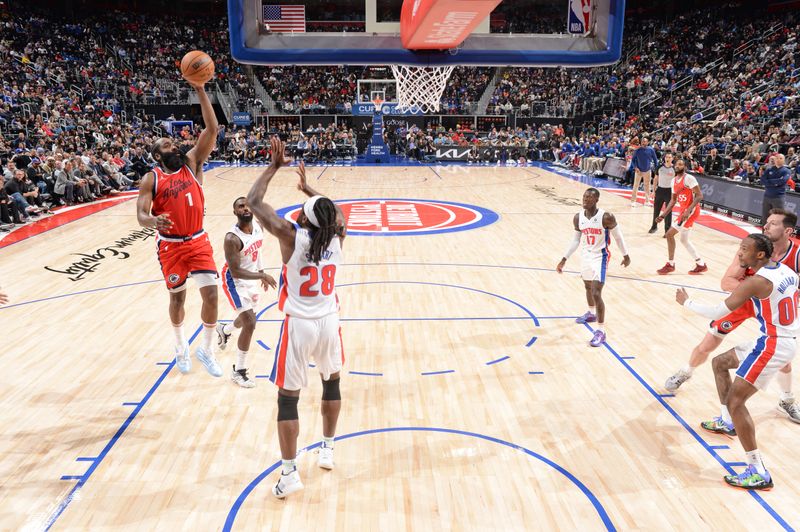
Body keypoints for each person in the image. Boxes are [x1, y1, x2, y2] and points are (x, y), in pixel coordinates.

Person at [246, 138, 346, 499]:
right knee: (331, 383)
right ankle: (328, 449)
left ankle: (289, 474)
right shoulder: (337, 234)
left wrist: (273, 167)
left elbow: (254, 202)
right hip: (330, 322)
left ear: (304, 217)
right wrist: (309, 190)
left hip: (300, 324)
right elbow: (333, 213)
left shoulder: (291, 236)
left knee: (288, 400)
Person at [676, 234, 798, 490]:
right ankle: (726, 422)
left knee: (736, 401)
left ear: (760, 255)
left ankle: (757, 470)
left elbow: (719, 311)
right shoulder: (786, 271)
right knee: (720, 362)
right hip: (781, 338)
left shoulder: (756, 281)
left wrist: (686, 302)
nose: (740, 253)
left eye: (744, 249)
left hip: (772, 344)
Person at [665, 209, 800, 422]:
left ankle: (787, 399)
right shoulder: (752, 246)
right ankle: (686, 371)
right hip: (746, 301)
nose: (766, 226)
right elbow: (727, 282)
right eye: (766, 222)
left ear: (788, 231)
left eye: (772, 224)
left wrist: (771, 294)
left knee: (781, 354)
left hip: (772, 306)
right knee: (709, 343)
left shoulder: (798, 253)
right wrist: (754, 292)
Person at [135, 77, 223, 377]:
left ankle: (207, 349)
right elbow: (141, 215)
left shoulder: (192, 162)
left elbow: (211, 130)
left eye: (173, 142)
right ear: (158, 155)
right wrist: (153, 221)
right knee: (177, 298)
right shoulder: (152, 179)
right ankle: (180, 345)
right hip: (170, 245)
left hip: (198, 240)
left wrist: (200, 89)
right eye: (168, 145)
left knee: (212, 295)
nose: (175, 146)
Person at [556, 188, 631, 347]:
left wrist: (626, 255)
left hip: (600, 257)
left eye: (589, 197)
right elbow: (576, 240)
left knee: (596, 292)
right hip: (586, 255)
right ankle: (591, 313)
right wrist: (564, 258)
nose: (585, 199)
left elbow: (618, 237)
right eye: (584, 196)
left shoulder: (606, 217)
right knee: (587, 286)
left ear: (596, 200)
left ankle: (601, 331)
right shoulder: (578, 217)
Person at [217, 197, 277, 388]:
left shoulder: (258, 227)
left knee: (246, 318)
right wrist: (262, 276)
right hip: (234, 280)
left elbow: (257, 250)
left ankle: (225, 330)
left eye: (247, 205)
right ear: (235, 212)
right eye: (240, 206)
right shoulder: (232, 238)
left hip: (250, 276)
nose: (245, 208)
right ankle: (239, 371)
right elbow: (235, 271)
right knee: (250, 322)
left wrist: (260, 273)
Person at [656, 158, 707, 275]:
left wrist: (688, 211)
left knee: (669, 234)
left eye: (680, 164)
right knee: (684, 240)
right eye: (677, 164)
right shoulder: (673, 181)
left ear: (685, 166)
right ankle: (701, 264)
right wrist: (663, 215)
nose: (677, 166)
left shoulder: (689, 178)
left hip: (691, 211)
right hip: (683, 211)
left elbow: (699, 196)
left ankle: (670, 264)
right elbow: (673, 200)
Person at [759, 153, 790, 226]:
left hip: (778, 198)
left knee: (778, 218)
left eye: (780, 158)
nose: (778, 159)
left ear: (784, 160)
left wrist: (769, 182)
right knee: (765, 217)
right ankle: (765, 235)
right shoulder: (769, 169)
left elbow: (782, 181)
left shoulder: (786, 171)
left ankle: (776, 236)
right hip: (767, 196)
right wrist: (775, 183)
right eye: (777, 158)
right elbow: (762, 181)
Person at [649, 152, 675, 234]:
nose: (668, 158)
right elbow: (655, 179)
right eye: (666, 157)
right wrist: (653, 191)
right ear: (664, 158)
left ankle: (667, 230)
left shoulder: (675, 169)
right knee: (656, 210)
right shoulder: (659, 167)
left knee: (668, 211)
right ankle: (654, 226)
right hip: (660, 190)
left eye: (669, 157)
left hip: (669, 191)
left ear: (672, 158)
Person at [630, 136, 658, 207]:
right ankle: (633, 201)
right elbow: (633, 160)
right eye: (642, 141)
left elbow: (655, 159)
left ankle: (647, 201)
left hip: (648, 170)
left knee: (647, 186)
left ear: (648, 142)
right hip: (638, 170)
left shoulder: (651, 150)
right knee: (635, 186)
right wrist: (635, 167)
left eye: (645, 141)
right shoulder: (637, 150)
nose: (643, 142)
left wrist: (656, 168)